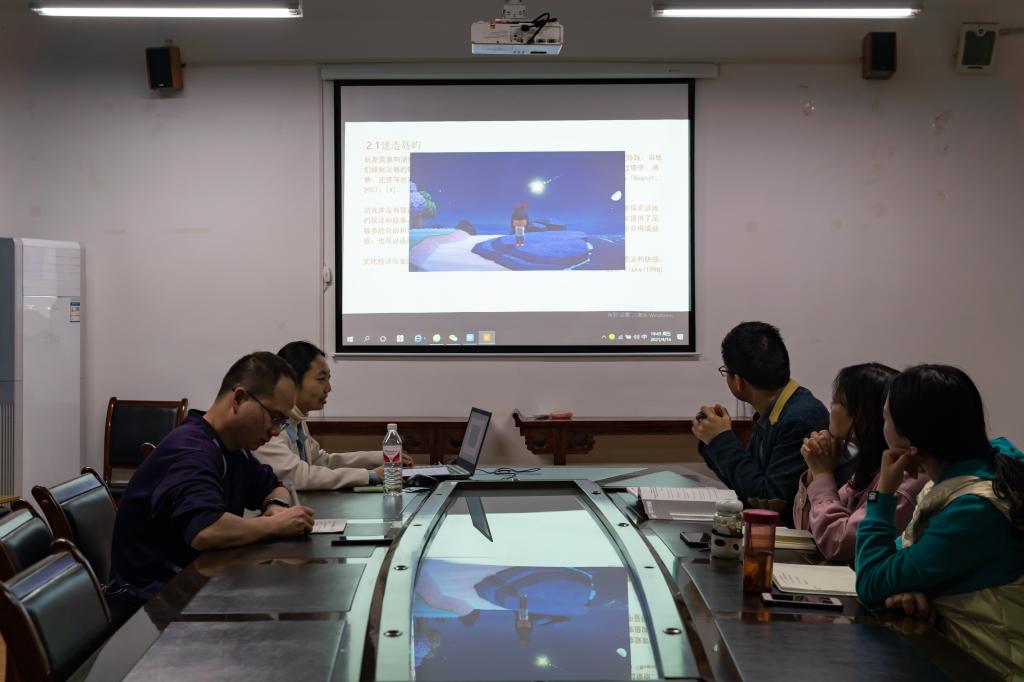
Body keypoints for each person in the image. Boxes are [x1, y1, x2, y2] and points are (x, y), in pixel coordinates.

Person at [110, 352, 315, 614]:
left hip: (198, 588)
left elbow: (274, 486)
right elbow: (206, 530)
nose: (275, 431)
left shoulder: (231, 446)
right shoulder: (192, 450)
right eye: (273, 417)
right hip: (154, 606)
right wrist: (275, 524)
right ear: (239, 398)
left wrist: (276, 505)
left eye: (282, 422)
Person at [855, 364, 1024, 678]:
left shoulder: (975, 509)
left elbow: (871, 582)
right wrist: (913, 590)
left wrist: (883, 493)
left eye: (885, 417)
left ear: (911, 441)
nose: (882, 425)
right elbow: (898, 563)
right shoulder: (967, 478)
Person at [692, 321, 829, 523]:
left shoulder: (799, 419)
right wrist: (713, 439)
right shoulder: (776, 409)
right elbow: (746, 482)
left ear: (738, 382)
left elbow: (768, 500)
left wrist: (720, 439)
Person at [792, 363, 927, 562]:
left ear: (862, 418)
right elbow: (811, 534)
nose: (830, 406)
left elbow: (839, 544)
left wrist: (822, 475)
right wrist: (815, 468)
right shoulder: (869, 465)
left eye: (836, 401)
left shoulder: (905, 475)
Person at [254, 341, 412, 489]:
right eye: (321, 379)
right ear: (292, 380)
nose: (328, 388)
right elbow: (298, 476)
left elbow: (323, 461)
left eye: (328, 379)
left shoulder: (297, 420)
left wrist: (379, 457)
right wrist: (370, 475)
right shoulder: (268, 425)